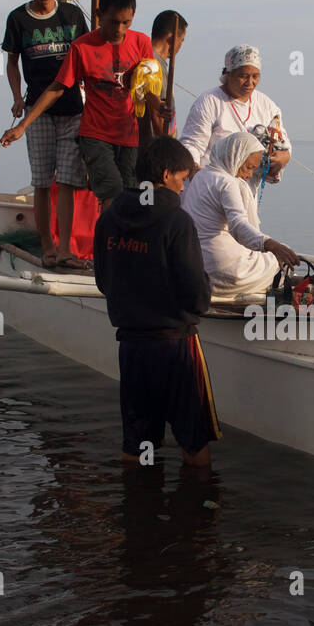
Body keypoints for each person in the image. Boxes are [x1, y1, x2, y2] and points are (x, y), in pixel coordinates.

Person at [92, 136, 220, 467]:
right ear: (165, 175)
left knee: (136, 442)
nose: (183, 186)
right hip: (174, 345)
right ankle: (196, 511)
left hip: (132, 346)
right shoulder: (177, 222)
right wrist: (198, 303)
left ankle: (136, 509)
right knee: (193, 440)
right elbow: (196, 292)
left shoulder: (108, 219)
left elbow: (104, 281)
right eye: (183, 177)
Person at [1, 0, 162, 210]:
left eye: (126, 22)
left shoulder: (141, 42)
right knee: (113, 192)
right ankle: (106, 243)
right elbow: (57, 88)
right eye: (113, 21)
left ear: (133, 16)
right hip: (95, 135)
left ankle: (120, 242)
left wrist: (157, 105)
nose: (119, 29)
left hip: (128, 134)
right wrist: (23, 125)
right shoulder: (82, 47)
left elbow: (145, 86)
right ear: (99, 15)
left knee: (131, 195)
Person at [1, 0, 88, 267]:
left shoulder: (72, 16)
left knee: (67, 181)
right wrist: (16, 96)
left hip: (72, 110)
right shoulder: (18, 19)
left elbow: (87, 58)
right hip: (37, 112)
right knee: (42, 180)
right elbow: (11, 62)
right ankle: (48, 246)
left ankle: (66, 248)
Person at [182, 131, 299, 297]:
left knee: (267, 257)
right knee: (282, 261)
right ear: (235, 157)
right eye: (249, 167)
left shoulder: (201, 176)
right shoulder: (227, 183)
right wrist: (272, 245)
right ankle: (264, 296)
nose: (250, 175)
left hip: (195, 266)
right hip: (223, 270)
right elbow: (238, 225)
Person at [179, 45, 291, 192]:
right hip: (209, 190)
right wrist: (194, 169)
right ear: (228, 74)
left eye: (255, 76)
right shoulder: (209, 101)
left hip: (246, 193)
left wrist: (284, 157)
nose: (250, 83)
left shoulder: (267, 106)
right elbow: (191, 144)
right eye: (243, 76)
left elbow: (283, 143)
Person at [139, 10, 187, 148]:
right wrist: (167, 149)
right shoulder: (154, 64)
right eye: (181, 40)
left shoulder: (153, 60)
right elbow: (157, 114)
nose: (180, 46)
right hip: (154, 146)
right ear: (172, 39)